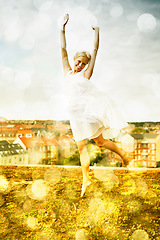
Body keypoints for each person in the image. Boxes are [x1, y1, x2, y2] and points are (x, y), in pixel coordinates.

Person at [60, 14, 129, 197]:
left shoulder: (85, 75)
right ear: (74, 59)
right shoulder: (67, 72)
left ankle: (121, 155)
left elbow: (95, 50)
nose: (80, 65)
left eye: (84, 63)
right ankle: (86, 180)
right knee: (94, 144)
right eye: (79, 61)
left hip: (86, 115)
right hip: (75, 118)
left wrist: (97, 30)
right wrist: (62, 29)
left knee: (94, 144)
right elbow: (63, 48)